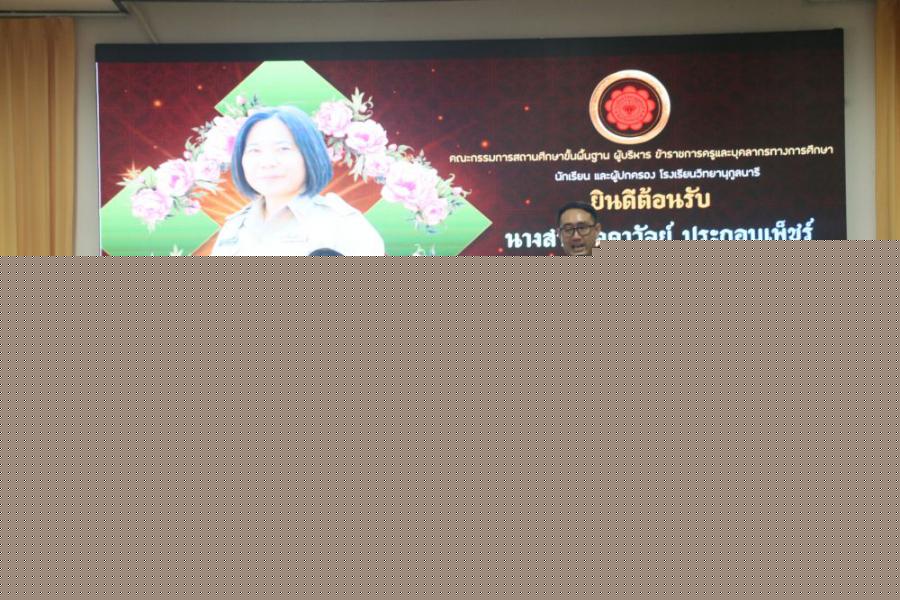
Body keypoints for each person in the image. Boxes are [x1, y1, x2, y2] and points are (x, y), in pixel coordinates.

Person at [211, 106, 385, 256]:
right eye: (254, 151)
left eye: (283, 149)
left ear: (310, 154)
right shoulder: (233, 228)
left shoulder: (343, 225)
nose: (267, 162)